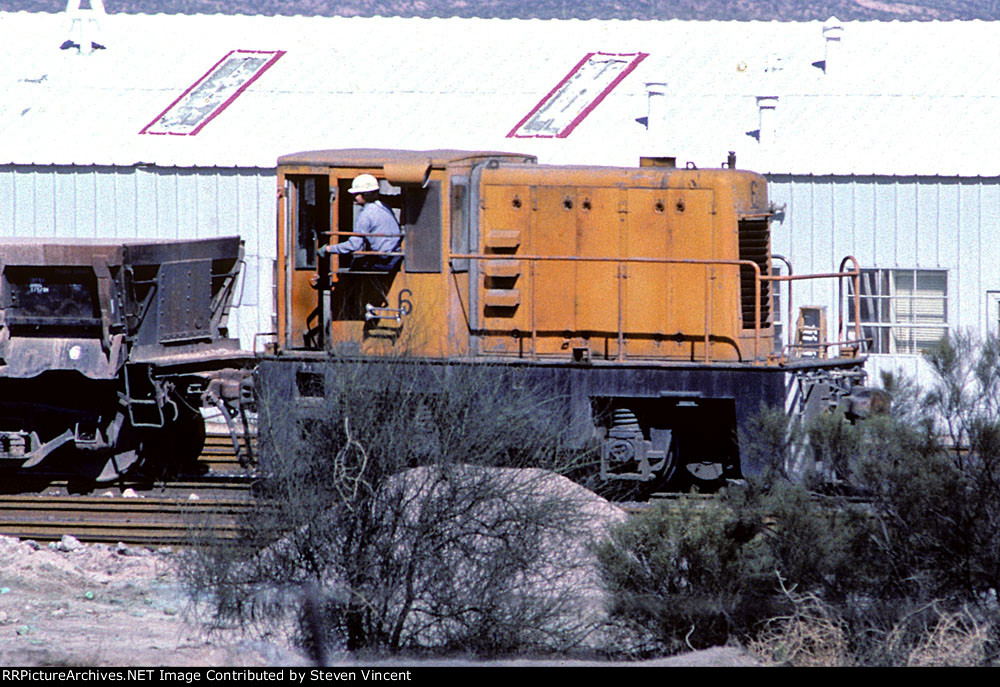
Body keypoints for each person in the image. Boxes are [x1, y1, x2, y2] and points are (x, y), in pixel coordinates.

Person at [318, 174, 402, 271]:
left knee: (356, 264)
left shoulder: (366, 215)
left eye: (356, 194)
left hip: (384, 260)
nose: (354, 197)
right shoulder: (384, 206)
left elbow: (354, 245)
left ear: (365, 194)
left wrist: (328, 249)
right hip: (395, 256)